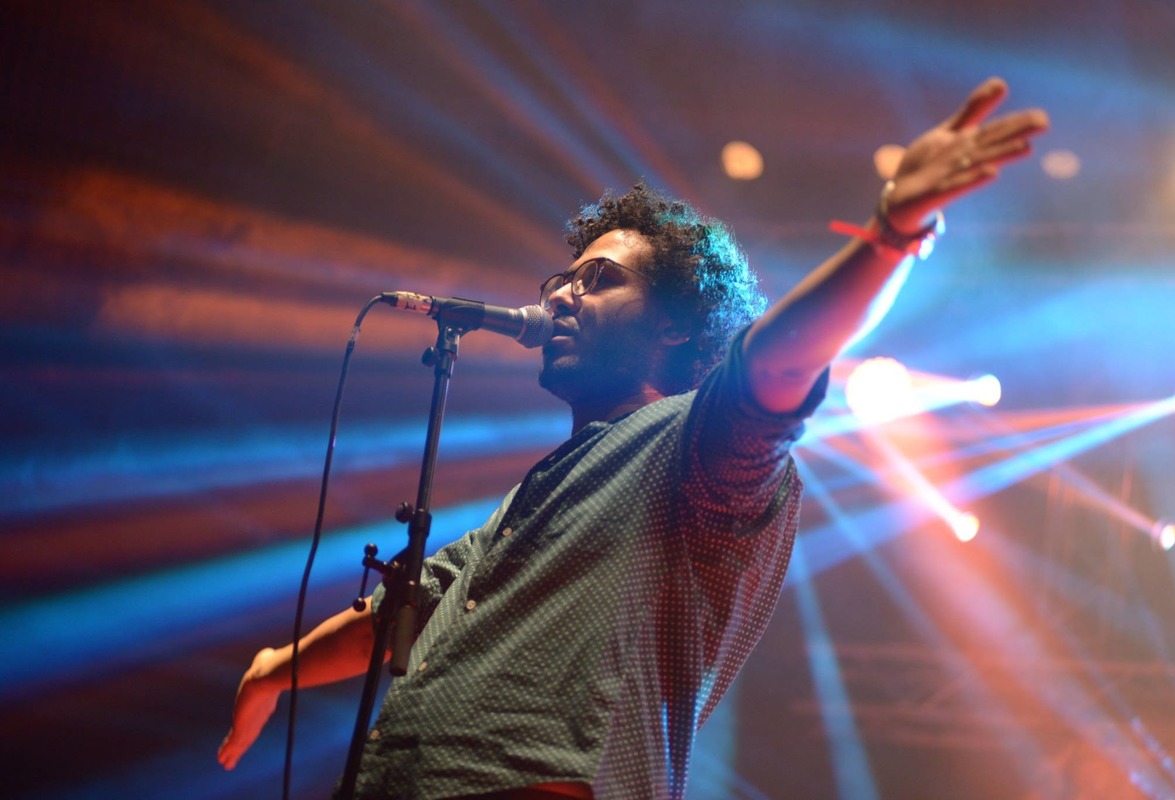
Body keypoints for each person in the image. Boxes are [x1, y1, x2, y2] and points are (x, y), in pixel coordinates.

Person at [218, 78, 1048, 799]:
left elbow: (779, 360)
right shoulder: (535, 495)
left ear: (676, 328)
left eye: (600, 280)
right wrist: (276, 668)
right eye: (563, 278)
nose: (561, 296)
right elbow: (403, 608)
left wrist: (891, 233)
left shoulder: (694, 446)